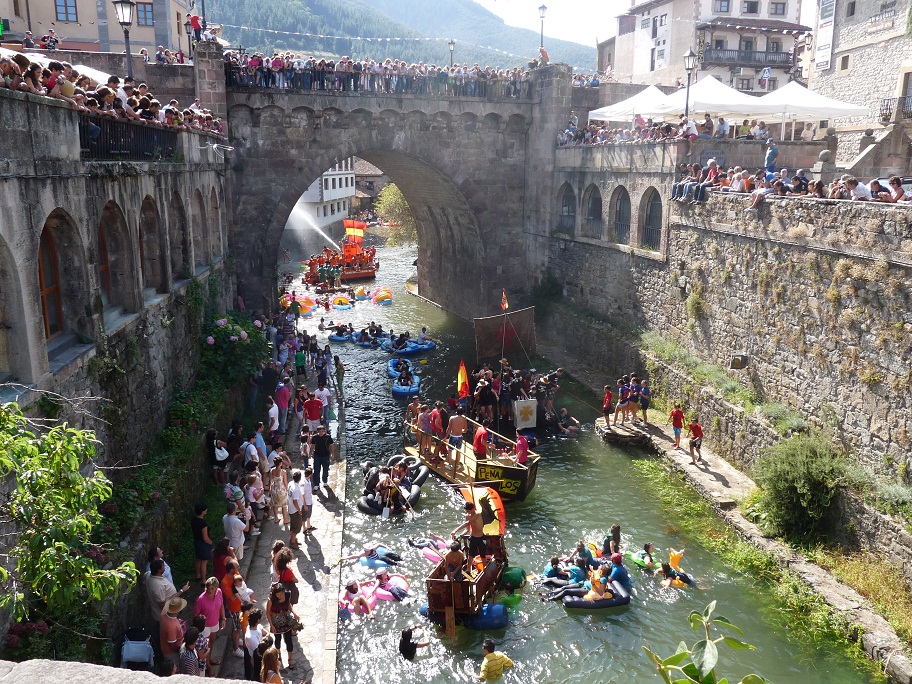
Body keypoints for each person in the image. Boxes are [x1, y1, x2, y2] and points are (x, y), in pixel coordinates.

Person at [194, 577, 225, 666]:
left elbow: (221, 605)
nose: (210, 590)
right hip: (205, 626)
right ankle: (208, 666)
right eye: (208, 588)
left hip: (215, 622)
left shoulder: (219, 592)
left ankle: (209, 659)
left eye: (212, 588)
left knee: (212, 642)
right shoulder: (201, 599)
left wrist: (223, 618)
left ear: (216, 587)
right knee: (205, 646)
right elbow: (196, 615)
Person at [160, 596, 186, 675]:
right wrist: (181, 651)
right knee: (174, 672)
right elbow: (172, 645)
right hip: (171, 653)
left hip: (164, 647)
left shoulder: (163, 612)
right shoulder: (172, 625)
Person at [190, 503, 213, 583]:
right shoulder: (203, 523)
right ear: (203, 511)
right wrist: (210, 542)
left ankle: (198, 575)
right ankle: (204, 580)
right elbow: (205, 538)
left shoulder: (193, 520)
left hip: (196, 542)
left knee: (198, 559)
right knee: (204, 562)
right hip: (203, 544)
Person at [244, 608, 268, 680]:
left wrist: (264, 640)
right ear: (257, 620)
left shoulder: (257, 626)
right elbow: (258, 652)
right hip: (257, 660)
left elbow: (267, 633)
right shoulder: (250, 637)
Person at [287, 470, 304, 550]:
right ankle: (292, 542)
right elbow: (295, 501)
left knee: (293, 525)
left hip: (290, 508)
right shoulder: (296, 489)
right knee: (297, 526)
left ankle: (293, 538)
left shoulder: (291, 483)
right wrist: (299, 510)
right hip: (295, 510)